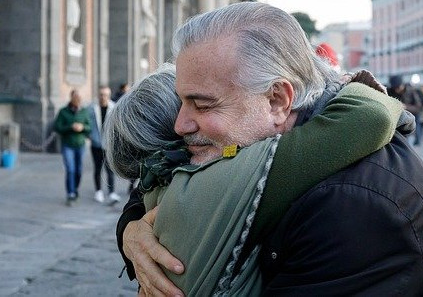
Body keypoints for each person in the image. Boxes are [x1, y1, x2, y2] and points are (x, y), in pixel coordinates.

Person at [117, 2, 423, 296]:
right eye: (182, 101)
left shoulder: (352, 205)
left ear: (277, 101)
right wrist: (132, 232)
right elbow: (168, 177)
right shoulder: (254, 148)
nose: (180, 125)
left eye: (202, 105)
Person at [106, 63, 402, 295]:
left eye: (201, 104)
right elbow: (370, 116)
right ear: (183, 137)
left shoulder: (162, 188)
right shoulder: (236, 176)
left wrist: (129, 230)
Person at [54, 89, 92, 205]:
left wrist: (82, 128)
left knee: (79, 171)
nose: (78, 100)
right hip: (68, 145)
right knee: (70, 169)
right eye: (76, 98)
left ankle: (75, 189)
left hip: (80, 145)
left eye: (79, 98)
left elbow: (89, 127)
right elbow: (57, 127)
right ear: (71, 98)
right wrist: (70, 127)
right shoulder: (63, 111)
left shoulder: (84, 111)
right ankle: (70, 193)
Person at [88, 85, 120, 204]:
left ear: (109, 95)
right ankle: (98, 191)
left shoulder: (114, 107)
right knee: (97, 168)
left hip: (109, 144)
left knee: (110, 169)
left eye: (105, 95)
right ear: (98, 95)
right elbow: (87, 123)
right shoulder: (92, 108)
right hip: (96, 144)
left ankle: (112, 193)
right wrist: (90, 135)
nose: (103, 97)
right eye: (101, 94)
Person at [387, 74, 423, 145]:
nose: (396, 90)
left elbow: (418, 107)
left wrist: (406, 107)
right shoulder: (390, 91)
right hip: (399, 120)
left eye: (398, 87)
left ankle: (418, 141)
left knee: (413, 136)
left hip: (412, 117)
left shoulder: (411, 91)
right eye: (395, 88)